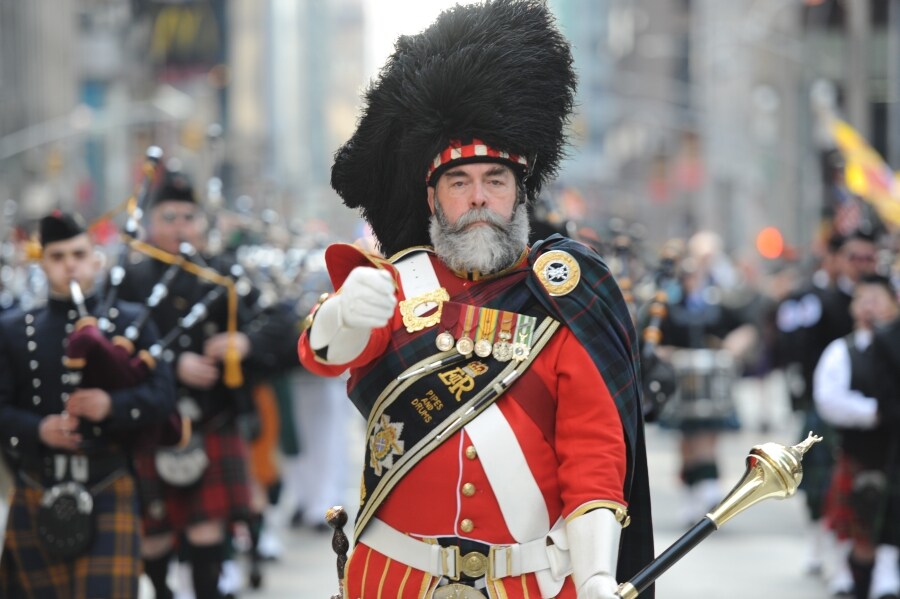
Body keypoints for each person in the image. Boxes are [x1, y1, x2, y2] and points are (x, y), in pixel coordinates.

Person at [297, 1, 654, 598]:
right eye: (459, 183)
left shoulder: (561, 294)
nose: (478, 198)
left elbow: (592, 452)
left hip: (529, 584)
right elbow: (324, 354)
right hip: (396, 580)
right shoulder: (398, 282)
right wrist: (340, 313)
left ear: (521, 194)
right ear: (433, 199)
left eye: (495, 181)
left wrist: (595, 572)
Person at [0, 211, 176, 597]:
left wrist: (110, 405)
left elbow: (164, 398)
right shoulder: (12, 330)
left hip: (108, 481)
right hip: (37, 484)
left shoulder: (133, 321)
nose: (70, 265)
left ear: (97, 258)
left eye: (78, 254)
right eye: (57, 257)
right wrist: (38, 430)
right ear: (42, 263)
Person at [116, 169, 256, 599]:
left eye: (188, 217)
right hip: (152, 421)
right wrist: (172, 364)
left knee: (206, 528)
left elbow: (280, 328)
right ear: (150, 223)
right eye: (169, 216)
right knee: (154, 532)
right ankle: (160, 592)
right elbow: (112, 353)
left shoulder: (222, 274)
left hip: (211, 417)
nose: (180, 227)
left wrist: (243, 341)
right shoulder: (128, 280)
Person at [814, 274, 900, 599]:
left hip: (895, 450)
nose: (870, 307)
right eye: (863, 299)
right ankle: (856, 579)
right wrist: (875, 412)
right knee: (860, 524)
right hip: (861, 450)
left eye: (878, 299)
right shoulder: (841, 351)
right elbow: (829, 400)